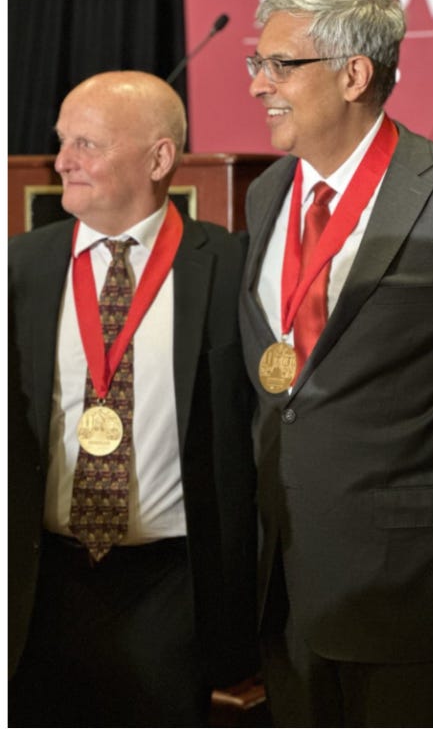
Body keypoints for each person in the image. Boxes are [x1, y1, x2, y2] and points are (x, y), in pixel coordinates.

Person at [238, 0, 433, 727]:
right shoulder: (265, 194)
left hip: (414, 592)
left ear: (354, 75)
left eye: (280, 65)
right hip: (286, 584)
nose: (259, 84)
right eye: (256, 63)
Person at [8, 70, 258, 727]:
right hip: (39, 584)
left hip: (171, 590)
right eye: (62, 141)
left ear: (158, 158)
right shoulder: (19, 268)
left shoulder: (231, 268)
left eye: (86, 144)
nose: (62, 161)